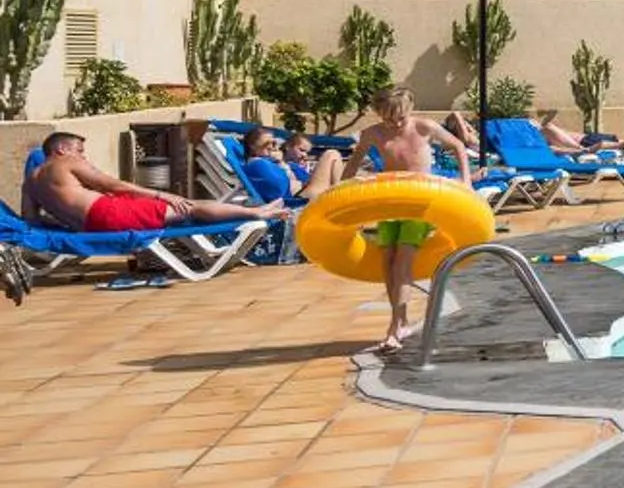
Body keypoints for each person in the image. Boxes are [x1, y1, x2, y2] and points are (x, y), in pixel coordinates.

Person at [351, 87, 478, 357]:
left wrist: (465, 181)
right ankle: (403, 321)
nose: (395, 124)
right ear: (378, 114)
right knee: (387, 261)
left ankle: (394, 327)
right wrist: (340, 188)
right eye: (388, 119)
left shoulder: (424, 127)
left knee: (402, 261)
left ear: (409, 109)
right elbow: (354, 161)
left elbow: (458, 146)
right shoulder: (372, 134)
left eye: (400, 118)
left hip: (421, 204)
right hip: (392, 202)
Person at [23, 133, 286, 236]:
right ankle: (256, 212)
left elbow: (32, 220)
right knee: (189, 208)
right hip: (107, 213)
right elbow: (114, 185)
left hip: (90, 226)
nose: (83, 155)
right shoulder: (67, 162)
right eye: (79, 149)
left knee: (185, 209)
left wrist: (64, 224)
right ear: (61, 149)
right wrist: (162, 195)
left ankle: (253, 211)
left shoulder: (31, 181)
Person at [241, 126, 343, 205]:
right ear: (252, 145)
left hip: (301, 193)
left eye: (274, 143)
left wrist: (281, 163)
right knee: (331, 154)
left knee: (335, 161)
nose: (273, 147)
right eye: (267, 143)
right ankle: (341, 197)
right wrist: (280, 163)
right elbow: (278, 188)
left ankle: (342, 195)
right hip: (299, 200)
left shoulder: (267, 162)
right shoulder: (257, 164)